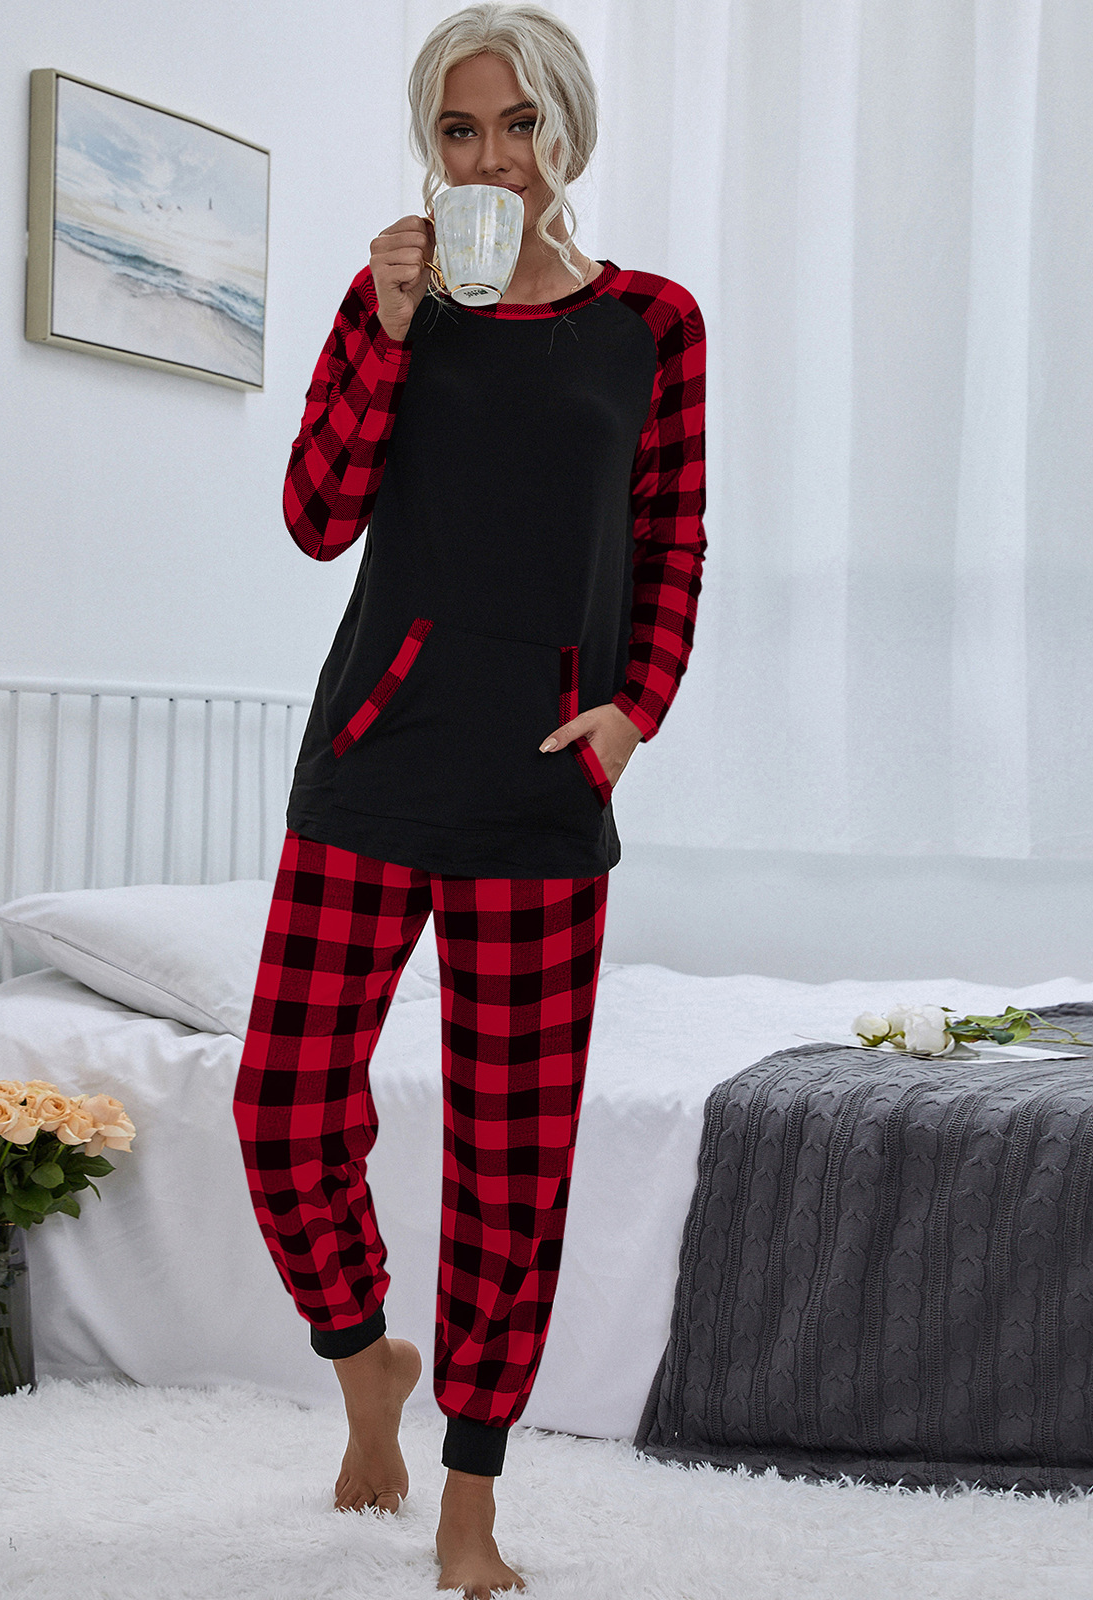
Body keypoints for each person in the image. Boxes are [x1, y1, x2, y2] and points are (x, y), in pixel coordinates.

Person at [232, 4, 705, 1593]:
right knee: (282, 1107)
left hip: (539, 796)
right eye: (458, 130)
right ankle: (364, 1355)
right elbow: (316, 516)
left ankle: (470, 1498)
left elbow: (673, 534)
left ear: (564, 129)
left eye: (517, 124)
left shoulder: (654, 324)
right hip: (372, 765)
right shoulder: (396, 298)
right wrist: (383, 325)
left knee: (512, 1167)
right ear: (430, 147)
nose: (490, 156)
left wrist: (636, 710)